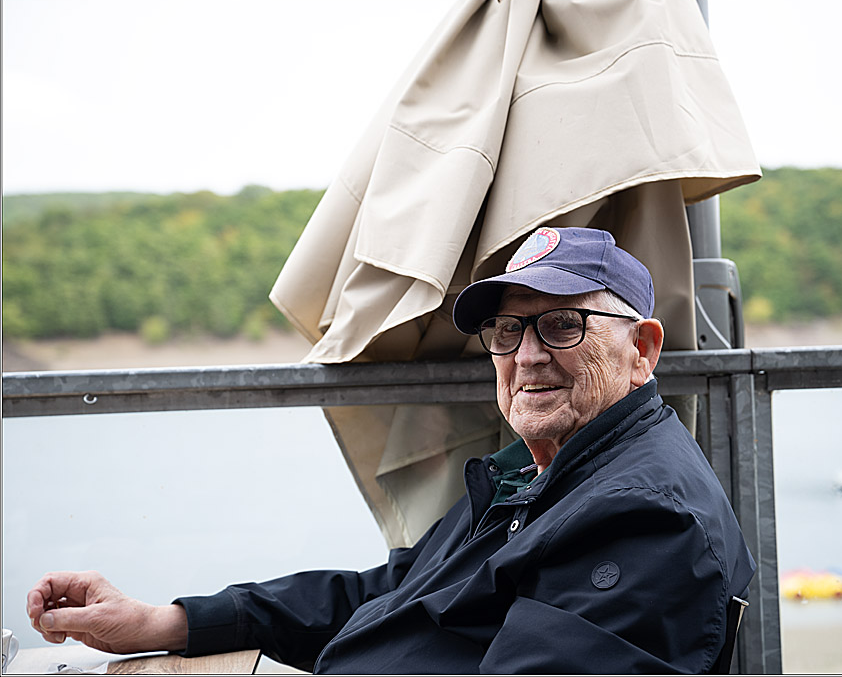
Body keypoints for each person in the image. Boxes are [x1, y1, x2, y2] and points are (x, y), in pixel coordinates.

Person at [27, 227, 755, 673]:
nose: (526, 356)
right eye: (507, 330)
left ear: (642, 350)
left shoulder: (643, 517)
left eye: (562, 325)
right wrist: (169, 622)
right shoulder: (538, 476)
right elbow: (390, 594)